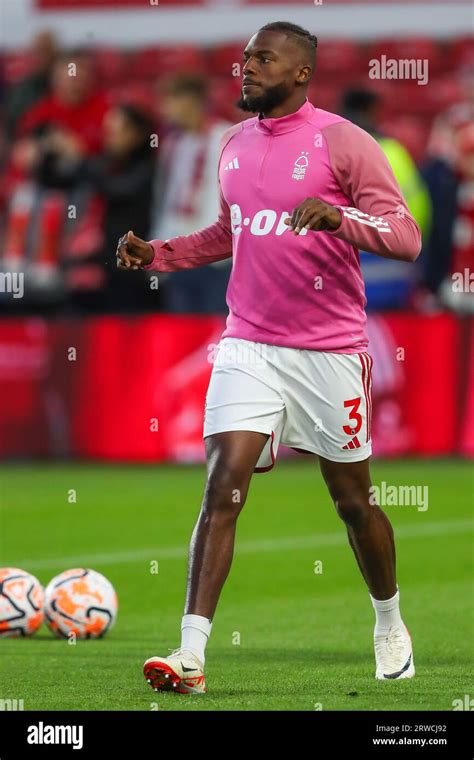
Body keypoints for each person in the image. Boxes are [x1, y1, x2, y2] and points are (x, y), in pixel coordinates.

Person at [116, 21, 421, 695]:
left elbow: (406, 237)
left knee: (353, 502)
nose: (245, 67)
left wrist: (343, 220)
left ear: (302, 71)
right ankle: (191, 655)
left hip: (329, 352)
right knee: (223, 482)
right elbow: (232, 231)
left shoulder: (344, 142)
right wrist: (159, 256)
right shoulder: (234, 142)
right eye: (245, 57)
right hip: (248, 342)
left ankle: (389, 620)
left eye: (262, 58)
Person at [150, 74, 232, 313]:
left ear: (191, 101)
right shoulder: (172, 144)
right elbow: (164, 200)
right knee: (182, 332)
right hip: (177, 252)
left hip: (216, 257)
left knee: (216, 331)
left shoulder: (225, 137)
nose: (164, 109)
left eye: (169, 101)